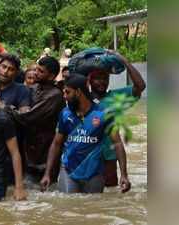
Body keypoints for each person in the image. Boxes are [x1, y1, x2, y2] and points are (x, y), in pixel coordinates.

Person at [40, 74, 131, 194]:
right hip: (69, 170)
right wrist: (47, 174)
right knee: (68, 206)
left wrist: (124, 175)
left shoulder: (103, 113)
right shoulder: (65, 114)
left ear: (78, 92)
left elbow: (118, 143)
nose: (64, 96)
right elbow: (56, 143)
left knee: (92, 208)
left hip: (94, 173)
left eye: (67, 92)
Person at [87, 50, 146, 186]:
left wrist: (124, 61)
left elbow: (140, 86)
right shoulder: (82, 98)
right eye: (97, 78)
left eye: (105, 78)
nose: (102, 82)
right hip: (86, 155)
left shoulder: (116, 98)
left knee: (108, 196)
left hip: (109, 157)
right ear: (89, 80)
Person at [6, 56, 65, 182]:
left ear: (51, 76)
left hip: (46, 150)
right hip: (28, 148)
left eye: (41, 71)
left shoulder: (55, 95)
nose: (36, 73)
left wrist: (7, 108)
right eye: (36, 69)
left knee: (45, 192)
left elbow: (29, 117)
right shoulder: (33, 88)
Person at [0, 53, 31, 185]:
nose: (5, 72)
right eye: (3, 67)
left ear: (16, 72)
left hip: (10, 149)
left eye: (10, 69)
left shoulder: (22, 90)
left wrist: (4, 107)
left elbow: (25, 116)